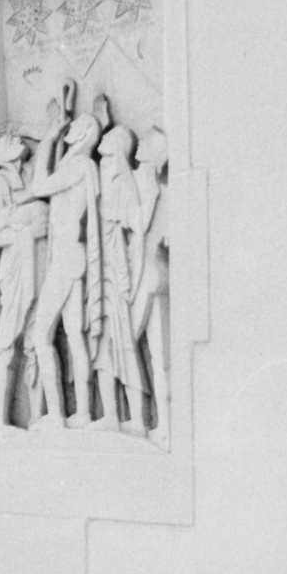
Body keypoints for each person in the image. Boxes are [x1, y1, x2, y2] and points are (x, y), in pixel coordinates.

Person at [26, 106, 103, 427]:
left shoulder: (81, 164)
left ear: (84, 135)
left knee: (40, 335)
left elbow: (38, 187)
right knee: (73, 335)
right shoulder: (77, 164)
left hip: (66, 259)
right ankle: (81, 413)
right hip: (72, 258)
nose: (71, 127)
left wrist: (48, 140)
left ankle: (57, 414)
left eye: (78, 125)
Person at [0, 132, 48, 431]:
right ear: (5, 153)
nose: (19, 139)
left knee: (36, 342)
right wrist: (29, 230)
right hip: (17, 265)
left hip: (38, 261)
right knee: (8, 343)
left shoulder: (29, 174)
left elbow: (47, 139)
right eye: (12, 139)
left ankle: (36, 417)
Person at [91, 124, 143, 432]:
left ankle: (136, 418)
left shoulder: (122, 179)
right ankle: (110, 416)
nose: (104, 137)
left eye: (109, 136)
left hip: (115, 270)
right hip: (100, 272)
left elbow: (134, 225)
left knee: (122, 345)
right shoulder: (104, 172)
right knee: (102, 348)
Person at [128, 127, 170, 442]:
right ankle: (147, 419)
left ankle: (161, 421)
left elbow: (144, 225)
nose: (140, 142)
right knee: (150, 351)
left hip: (153, 279)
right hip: (139, 278)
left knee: (157, 352)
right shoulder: (140, 179)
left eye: (149, 141)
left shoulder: (160, 188)